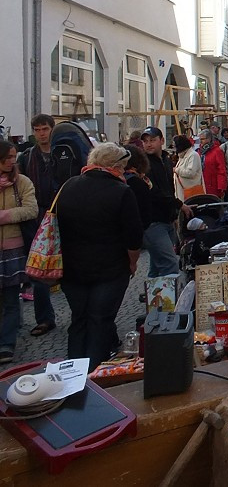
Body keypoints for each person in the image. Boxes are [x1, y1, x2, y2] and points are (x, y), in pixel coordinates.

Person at [54, 143, 143, 369]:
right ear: (114, 166)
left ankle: (72, 373)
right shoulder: (121, 191)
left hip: (72, 269)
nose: (124, 171)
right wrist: (132, 263)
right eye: (122, 167)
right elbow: (133, 237)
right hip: (109, 269)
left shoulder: (69, 186)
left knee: (79, 319)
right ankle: (95, 374)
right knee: (100, 321)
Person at [16, 113, 57, 336]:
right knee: (39, 271)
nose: (41, 133)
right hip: (37, 216)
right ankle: (45, 318)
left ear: (52, 129)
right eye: (37, 130)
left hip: (61, 213)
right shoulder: (27, 157)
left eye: (45, 129)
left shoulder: (62, 153)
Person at [0, 139, 38, 365]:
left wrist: (3, 216)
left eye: (13, 157)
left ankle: (6, 344)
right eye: (6, 158)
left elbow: (31, 209)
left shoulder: (21, 182)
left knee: (11, 299)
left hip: (14, 249)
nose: (11, 162)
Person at [140, 126, 186, 277]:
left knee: (157, 265)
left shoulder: (166, 160)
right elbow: (155, 193)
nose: (148, 144)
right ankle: (168, 299)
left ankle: (152, 297)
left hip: (166, 218)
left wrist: (173, 214)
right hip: (153, 221)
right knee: (170, 264)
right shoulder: (144, 164)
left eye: (152, 140)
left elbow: (169, 189)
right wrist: (179, 204)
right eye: (145, 141)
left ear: (162, 141)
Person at [172, 135, 204, 200]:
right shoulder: (182, 156)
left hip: (191, 192)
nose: (174, 148)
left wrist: (176, 170)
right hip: (182, 192)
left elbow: (190, 172)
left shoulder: (193, 155)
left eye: (175, 146)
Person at [199, 129, 227, 199]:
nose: (200, 141)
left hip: (213, 186)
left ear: (209, 139)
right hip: (201, 184)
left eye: (202, 139)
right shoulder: (200, 151)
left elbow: (221, 169)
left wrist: (221, 187)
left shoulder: (217, 151)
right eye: (200, 139)